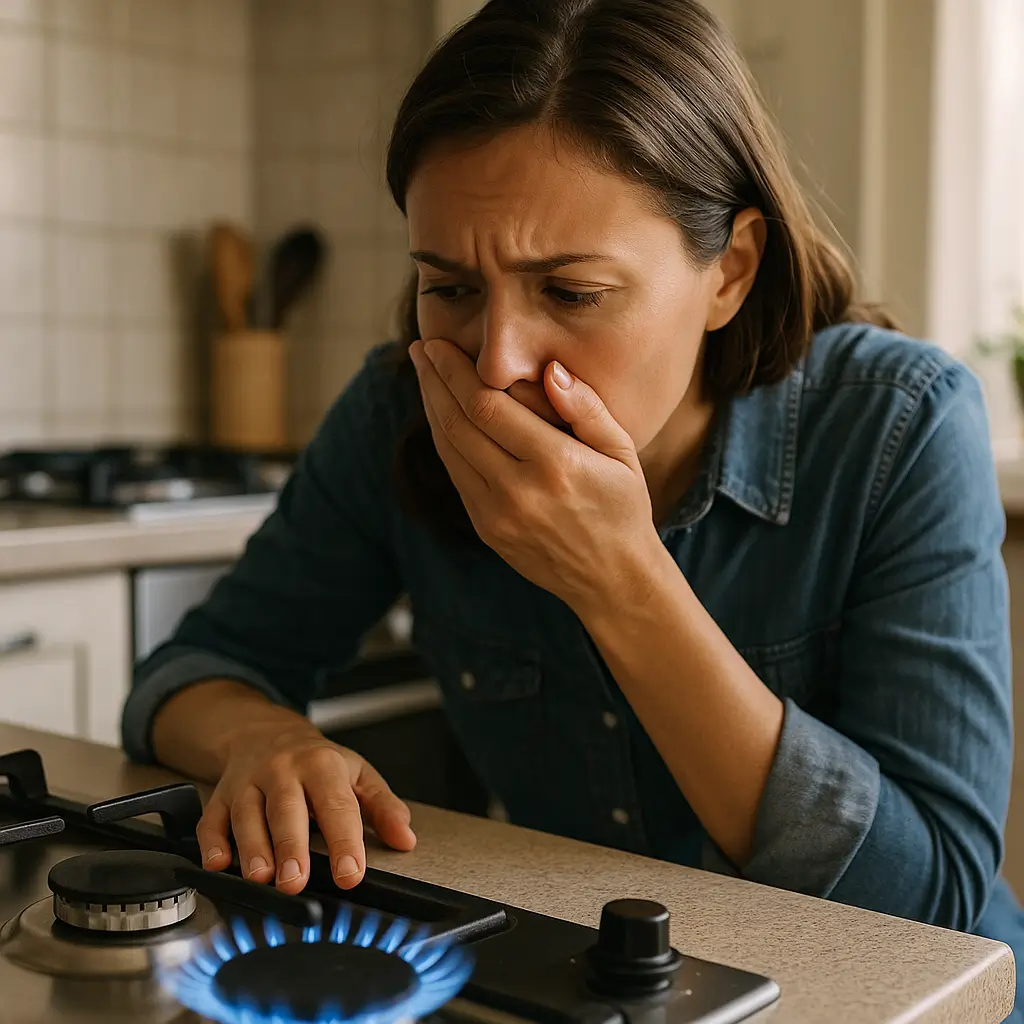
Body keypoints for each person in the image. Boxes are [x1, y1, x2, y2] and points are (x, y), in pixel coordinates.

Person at [122, 0, 1024, 1014]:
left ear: (728, 269)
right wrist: (258, 737)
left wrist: (624, 582)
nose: (499, 362)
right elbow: (191, 671)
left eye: (573, 292)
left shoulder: (901, 425)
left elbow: (934, 907)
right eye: (451, 289)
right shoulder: (397, 409)